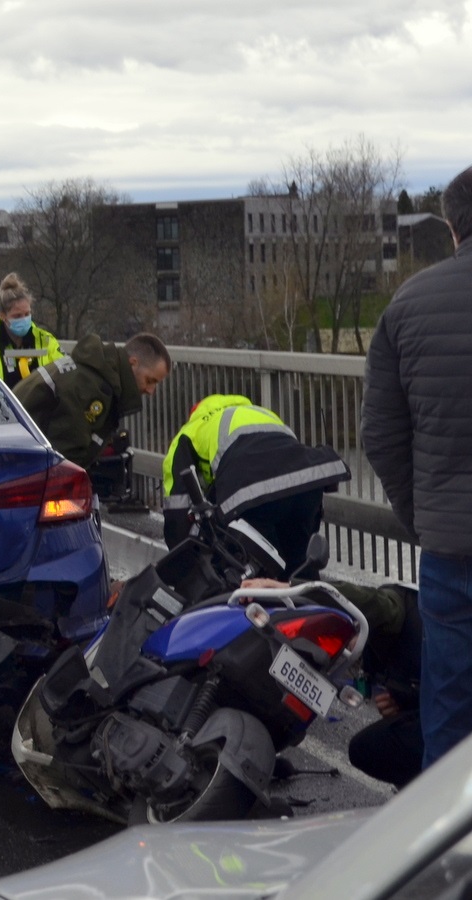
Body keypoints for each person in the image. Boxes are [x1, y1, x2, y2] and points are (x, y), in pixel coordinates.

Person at [362, 163, 472, 771]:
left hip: (451, 552)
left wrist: (422, 515)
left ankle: (448, 853)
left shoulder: (408, 305)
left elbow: (379, 436)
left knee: (450, 714)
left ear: (453, 228)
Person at [243, 576, 421, 788]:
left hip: (456, 730)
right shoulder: (379, 657)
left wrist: (289, 588)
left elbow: (369, 601)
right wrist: (405, 707)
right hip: (437, 713)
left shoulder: (396, 609)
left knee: (367, 748)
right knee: (371, 745)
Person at [162, 394, 350, 578]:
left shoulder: (192, 430)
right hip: (304, 485)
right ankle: (311, 604)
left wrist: (182, 568)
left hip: (252, 493)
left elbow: (178, 506)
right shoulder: (262, 413)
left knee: (255, 573)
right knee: (300, 568)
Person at [12, 332, 171, 471]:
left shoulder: (93, 370)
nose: (151, 391)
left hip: (15, 445)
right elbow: (65, 459)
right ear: (133, 363)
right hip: (16, 458)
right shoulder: (94, 390)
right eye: (150, 381)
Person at [0, 273, 63, 389]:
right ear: (2, 316)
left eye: (27, 314)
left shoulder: (46, 342)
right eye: (17, 316)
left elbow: (65, 375)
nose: (24, 319)